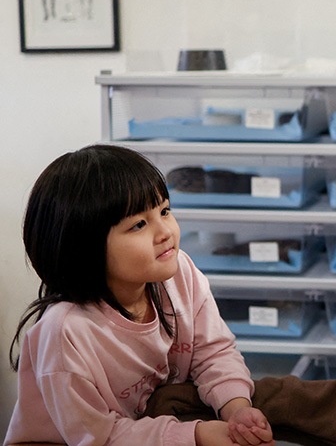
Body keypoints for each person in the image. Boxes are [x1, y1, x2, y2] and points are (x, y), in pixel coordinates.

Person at [5, 144, 274, 446]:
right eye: (139, 225)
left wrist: (236, 409)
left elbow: (213, 352)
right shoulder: (65, 332)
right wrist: (196, 435)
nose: (165, 232)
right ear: (83, 247)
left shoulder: (179, 272)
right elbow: (99, 438)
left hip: (147, 424)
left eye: (165, 211)